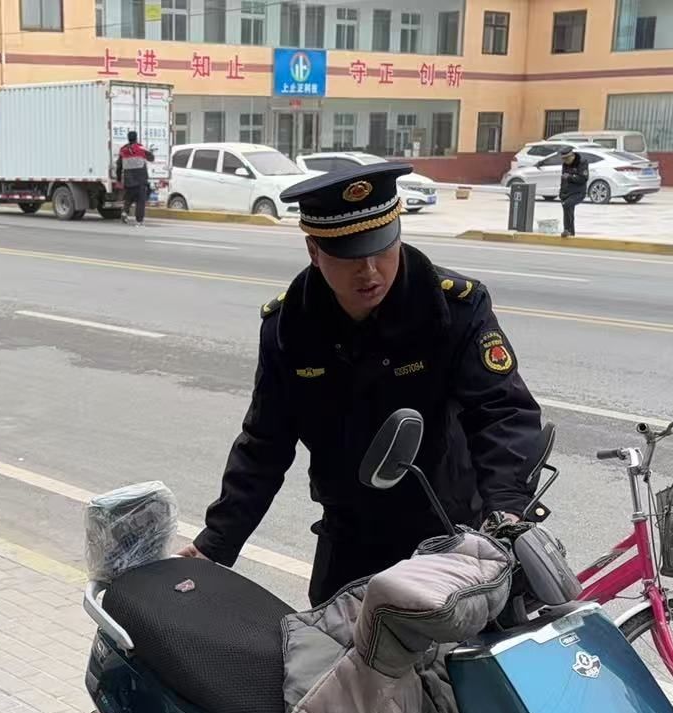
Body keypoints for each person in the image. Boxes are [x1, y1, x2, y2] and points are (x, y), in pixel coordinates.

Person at [180, 162, 544, 606]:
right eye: (350, 255)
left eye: (382, 248)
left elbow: (502, 412)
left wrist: (505, 510)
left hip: (449, 536)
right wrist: (216, 543)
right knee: (327, 647)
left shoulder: (452, 309)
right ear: (314, 251)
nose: (370, 271)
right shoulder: (290, 329)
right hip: (349, 538)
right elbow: (265, 445)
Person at [543, 148, 590, 237]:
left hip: (579, 192)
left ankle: (568, 230)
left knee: (567, 204)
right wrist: (561, 193)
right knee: (567, 209)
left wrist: (570, 177)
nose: (565, 161)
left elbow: (583, 178)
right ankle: (570, 233)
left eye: (567, 159)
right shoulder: (565, 164)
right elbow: (563, 179)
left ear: (572, 156)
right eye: (563, 159)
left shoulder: (582, 162)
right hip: (568, 193)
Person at [116, 130, 153, 226]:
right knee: (140, 200)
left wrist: (119, 179)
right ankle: (139, 221)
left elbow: (119, 165)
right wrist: (150, 152)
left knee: (129, 197)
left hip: (128, 180)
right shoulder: (141, 148)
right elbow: (151, 158)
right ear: (136, 138)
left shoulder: (123, 150)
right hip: (140, 179)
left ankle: (124, 212)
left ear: (128, 138)